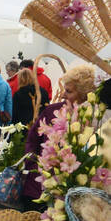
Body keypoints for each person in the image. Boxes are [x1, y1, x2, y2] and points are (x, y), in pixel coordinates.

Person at [20, 63, 97, 211]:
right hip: (38, 189)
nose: (62, 94)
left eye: (68, 91)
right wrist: (37, 166)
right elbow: (32, 140)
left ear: (84, 94)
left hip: (72, 195)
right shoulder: (51, 111)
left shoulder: (94, 119)